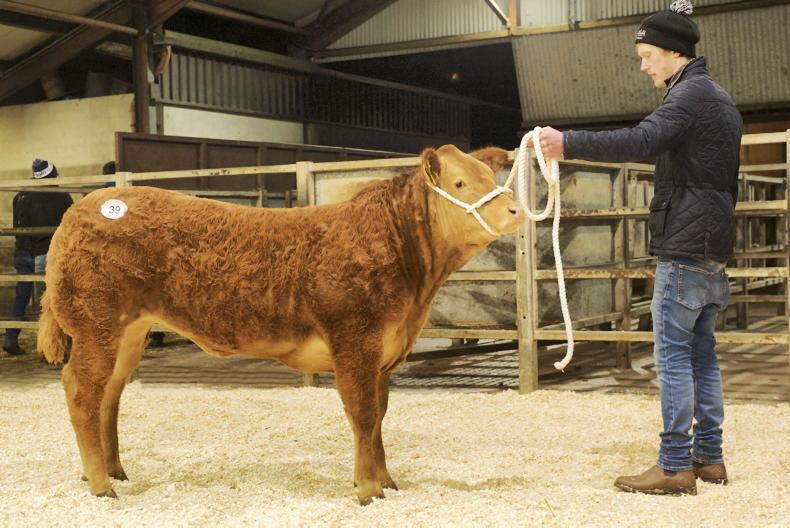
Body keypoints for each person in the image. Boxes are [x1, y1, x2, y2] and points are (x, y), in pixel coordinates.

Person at [530, 0, 742, 495]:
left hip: (684, 248)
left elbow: (643, 140)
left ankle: (673, 466)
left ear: (675, 53)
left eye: (648, 56)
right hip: (712, 247)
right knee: (702, 356)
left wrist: (567, 143)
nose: (644, 66)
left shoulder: (689, 96)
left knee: (673, 358)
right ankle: (709, 458)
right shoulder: (720, 99)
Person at [3, 159, 73, 355]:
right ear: (52, 175)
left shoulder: (20, 196)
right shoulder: (61, 196)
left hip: (22, 250)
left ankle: (10, 337)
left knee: (22, 294)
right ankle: (48, 348)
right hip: (46, 252)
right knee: (49, 301)